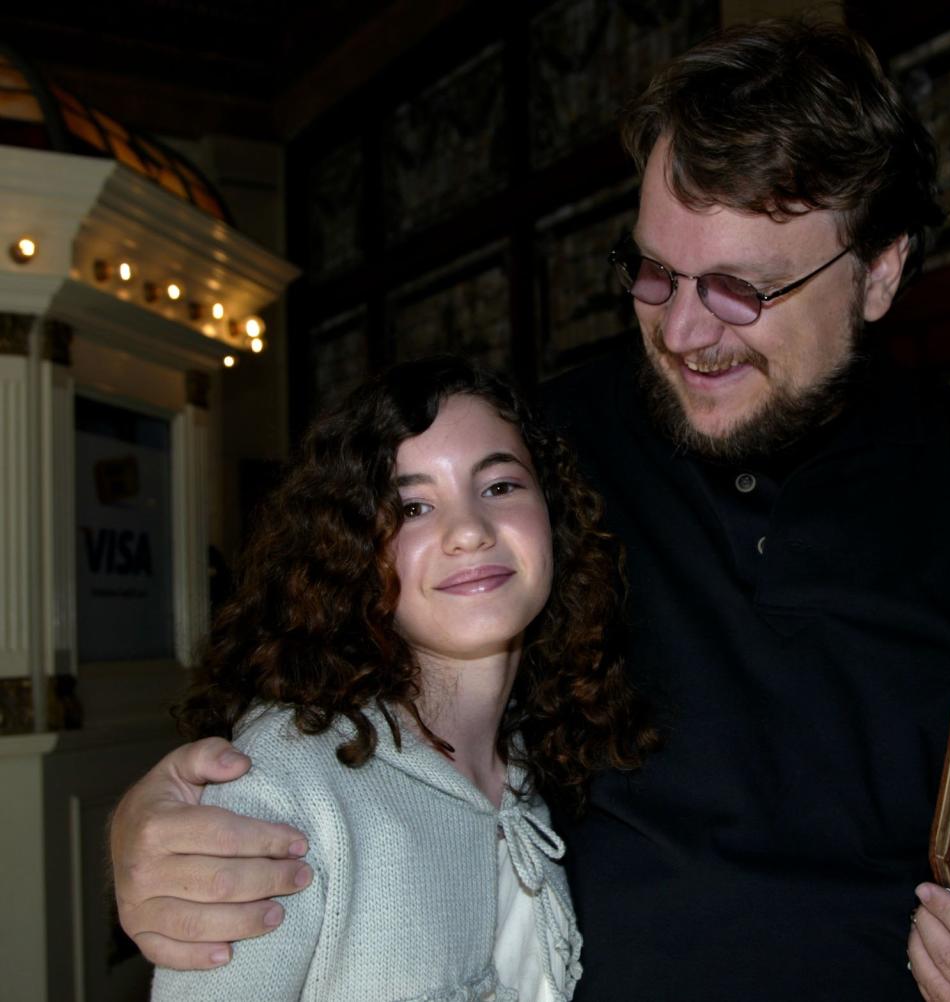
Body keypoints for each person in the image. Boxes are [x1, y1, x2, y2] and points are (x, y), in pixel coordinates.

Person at [110, 20, 950, 1002]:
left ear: (879, 271)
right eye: (654, 274)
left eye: (743, 289)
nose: (687, 329)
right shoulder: (545, 456)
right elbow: (336, 671)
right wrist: (159, 822)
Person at [148, 357, 655, 999]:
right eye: (413, 506)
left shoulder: (539, 765)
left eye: (499, 487)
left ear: (552, 512)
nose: (469, 532)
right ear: (350, 547)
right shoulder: (284, 781)